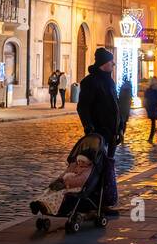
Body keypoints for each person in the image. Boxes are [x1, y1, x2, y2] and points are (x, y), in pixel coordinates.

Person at [76, 48, 120, 213]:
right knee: (97, 169)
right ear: (103, 64)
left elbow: (115, 106)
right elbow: (83, 107)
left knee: (107, 169)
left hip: (112, 134)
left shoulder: (109, 81)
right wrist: (89, 127)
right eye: (111, 62)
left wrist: (120, 127)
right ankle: (94, 203)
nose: (113, 65)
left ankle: (104, 202)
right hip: (99, 135)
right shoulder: (90, 82)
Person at [29, 147, 95, 218]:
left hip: (75, 187)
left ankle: (48, 206)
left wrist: (65, 183)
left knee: (60, 193)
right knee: (50, 189)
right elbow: (64, 173)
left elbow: (81, 180)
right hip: (65, 183)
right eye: (79, 161)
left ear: (89, 162)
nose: (80, 163)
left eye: (83, 162)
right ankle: (39, 202)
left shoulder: (88, 170)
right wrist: (59, 180)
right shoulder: (74, 165)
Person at [143, 77, 157, 143]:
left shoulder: (149, 89)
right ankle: (153, 133)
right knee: (153, 120)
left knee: (153, 121)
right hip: (153, 106)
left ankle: (151, 137)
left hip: (150, 106)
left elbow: (146, 97)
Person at [117, 77, 133, 144]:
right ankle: (122, 133)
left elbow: (120, 97)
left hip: (121, 106)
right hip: (126, 107)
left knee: (121, 121)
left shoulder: (123, 88)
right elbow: (130, 98)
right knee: (124, 122)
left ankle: (120, 133)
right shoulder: (129, 88)